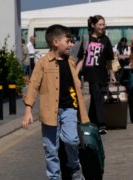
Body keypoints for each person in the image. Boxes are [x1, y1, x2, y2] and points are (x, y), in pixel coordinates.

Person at [21, 24, 89, 180]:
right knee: (51, 149)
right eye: (68, 41)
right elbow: (33, 85)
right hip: (49, 112)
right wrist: (28, 110)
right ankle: (53, 177)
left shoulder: (70, 61)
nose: (71, 44)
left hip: (69, 109)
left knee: (71, 140)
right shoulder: (43, 63)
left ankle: (74, 167)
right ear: (56, 42)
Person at [76, 15, 116, 134]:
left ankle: (90, 121)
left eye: (103, 25)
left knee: (96, 99)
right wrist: (75, 74)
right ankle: (101, 124)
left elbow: (109, 59)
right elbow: (81, 59)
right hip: (90, 74)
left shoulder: (105, 40)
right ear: (93, 25)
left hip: (102, 74)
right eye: (100, 24)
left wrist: (112, 74)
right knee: (97, 96)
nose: (102, 27)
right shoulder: (87, 39)